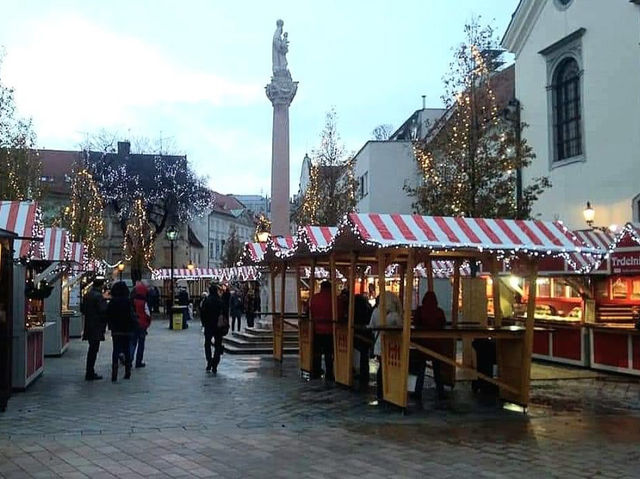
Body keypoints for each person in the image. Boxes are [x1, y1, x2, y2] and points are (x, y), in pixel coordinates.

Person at [368, 291, 403, 401]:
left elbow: (371, 326)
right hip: (392, 345)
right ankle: (389, 389)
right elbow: (401, 328)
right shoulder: (394, 315)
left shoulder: (376, 312)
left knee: (382, 367)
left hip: (379, 343)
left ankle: (381, 390)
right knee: (390, 366)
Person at [413, 291, 447, 401]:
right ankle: (440, 392)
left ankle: (418, 392)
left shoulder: (420, 311)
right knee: (437, 370)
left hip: (423, 344)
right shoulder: (439, 312)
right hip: (437, 344)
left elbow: (416, 324)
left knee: (421, 370)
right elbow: (443, 324)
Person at [309, 281, 343, 381]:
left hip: (317, 328)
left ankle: (316, 369)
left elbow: (310, 310)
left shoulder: (314, 298)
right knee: (329, 353)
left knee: (317, 352)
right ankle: (329, 372)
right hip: (330, 329)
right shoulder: (335, 299)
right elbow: (340, 313)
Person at [106, 281, 137, 382]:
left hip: (116, 329)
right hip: (127, 329)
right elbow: (132, 315)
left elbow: (108, 315)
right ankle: (127, 372)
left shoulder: (112, 302)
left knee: (116, 350)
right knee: (127, 350)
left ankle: (114, 374)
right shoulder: (128, 301)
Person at [81, 278, 108, 381]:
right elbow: (103, 310)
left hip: (89, 325)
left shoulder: (87, 295)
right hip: (96, 326)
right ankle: (90, 372)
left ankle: (89, 371)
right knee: (93, 350)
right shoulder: (98, 297)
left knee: (91, 349)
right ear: (100, 285)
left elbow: (83, 309)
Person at [201, 283, 224, 374]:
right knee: (218, 345)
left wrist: (204, 323)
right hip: (218, 326)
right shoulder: (220, 301)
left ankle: (209, 361)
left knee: (207, 344)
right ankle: (215, 363)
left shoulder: (207, 301)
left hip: (209, 325)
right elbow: (224, 313)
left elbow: (203, 313)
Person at [353, 294, 373, 389]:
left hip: (357, 333)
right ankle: (364, 373)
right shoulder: (368, 309)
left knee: (359, 353)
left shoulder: (354, 309)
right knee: (364, 355)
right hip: (366, 334)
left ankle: (357, 371)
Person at [130, 281, 151, 368]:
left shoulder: (132, 301)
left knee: (132, 343)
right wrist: (147, 323)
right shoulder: (144, 302)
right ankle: (139, 361)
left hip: (133, 324)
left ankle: (129, 359)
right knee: (141, 344)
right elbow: (147, 314)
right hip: (142, 325)